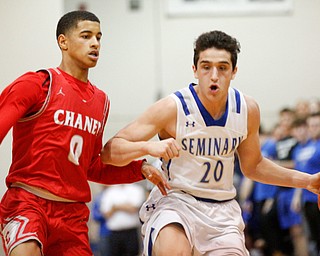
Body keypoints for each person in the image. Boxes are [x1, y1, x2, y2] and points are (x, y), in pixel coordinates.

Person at [101, 30, 320, 255]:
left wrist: (308, 181)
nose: (214, 75)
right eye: (206, 67)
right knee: (173, 250)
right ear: (195, 70)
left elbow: (253, 166)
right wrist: (147, 147)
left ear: (234, 72)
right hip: (176, 202)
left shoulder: (247, 109)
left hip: (222, 210)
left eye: (222, 68)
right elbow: (109, 151)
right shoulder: (172, 108)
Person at [0, 10, 169, 256]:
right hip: (29, 201)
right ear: (63, 41)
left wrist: (138, 169)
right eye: (86, 36)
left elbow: (90, 167)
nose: (95, 43)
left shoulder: (100, 101)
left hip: (72, 214)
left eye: (99, 37)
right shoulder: (39, 83)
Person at [100, 183, 146, 256]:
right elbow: (106, 213)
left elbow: (134, 208)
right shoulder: (109, 192)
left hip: (131, 231)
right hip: (114, 233)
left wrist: (115, 207)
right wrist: (125, 206)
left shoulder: (135, 189)